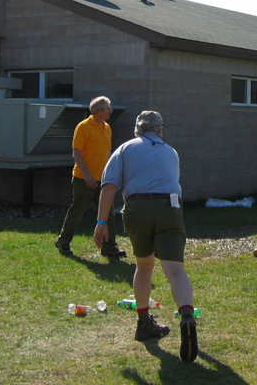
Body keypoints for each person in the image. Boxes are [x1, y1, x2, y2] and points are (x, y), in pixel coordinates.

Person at [94, 111, 198, 364]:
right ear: (160, 130)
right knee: (176, 271)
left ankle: (143, 323)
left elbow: (109, 186)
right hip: (170, 207)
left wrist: (101, 222)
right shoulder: (171, 152)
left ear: (137, 130)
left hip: (137, 208)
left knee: (144, 266)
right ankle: (187, 316)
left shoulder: (125, 149)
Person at [55, 96, 125, 258]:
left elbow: (107, 152)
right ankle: (63, 242)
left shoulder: (107, 127)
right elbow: (76, 152)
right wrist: (86, 174)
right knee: (77, 211)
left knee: (108, 214)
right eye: (108, 108)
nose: (111, 111)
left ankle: (109, 247)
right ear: (99, 111)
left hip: (103, 179)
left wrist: (111, 173)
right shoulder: (83, 127)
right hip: (84, 179)